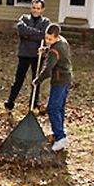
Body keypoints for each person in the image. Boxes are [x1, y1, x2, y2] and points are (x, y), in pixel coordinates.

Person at [4, 0, 50, 112]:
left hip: (38, 55)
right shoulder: (24, 18)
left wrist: (29, 34)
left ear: (42, 10)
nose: (35, 10)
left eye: (38, 8)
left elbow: (43, 36)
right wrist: (37, 33)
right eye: (34, 8)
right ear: (31, 8)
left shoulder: (46, 22)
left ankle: (33, 104)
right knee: (18, 80)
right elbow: (21, 30)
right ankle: (10, 103)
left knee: (36, 81)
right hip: (24, 54)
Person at [32, 23, 72, 151]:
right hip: (67, 78)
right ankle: (59, 133)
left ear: (57, 36)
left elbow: (48, 70)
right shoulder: (63, 41)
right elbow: (55, 50)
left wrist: (37, 80)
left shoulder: (54, 50)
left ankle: (60, 138)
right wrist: (46, 49)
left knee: (53, 108)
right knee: (59, 107)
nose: (47, 41)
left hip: (60, 80)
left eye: (50, 39)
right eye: (46, 38)